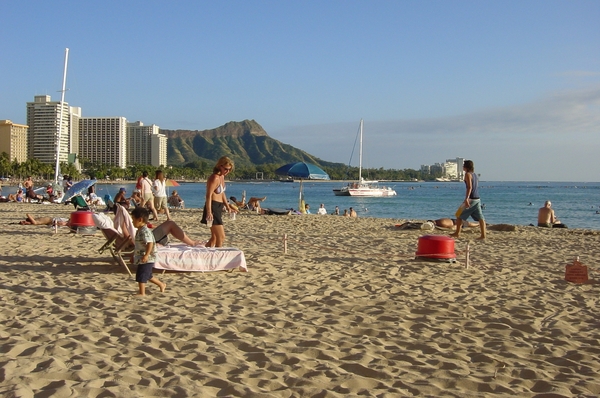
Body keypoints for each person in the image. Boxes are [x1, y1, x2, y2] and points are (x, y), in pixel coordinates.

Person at [201, 156, 237, 247]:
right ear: (219, 166)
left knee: (215, 238)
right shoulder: (215, 178)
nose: (227, 171)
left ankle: (206, 255)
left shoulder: (222, 177)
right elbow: (208, 195)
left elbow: (222, 193)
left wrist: (228, 206)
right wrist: (209, 212)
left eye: (229, 170)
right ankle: (217, 258)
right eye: (226, 169)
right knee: (221, 237)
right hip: (212, 207)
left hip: (218, 207)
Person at [131, 207, 166, 296]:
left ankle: (142, 293)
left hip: (148, 258)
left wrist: (146, 255)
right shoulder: (140, 230)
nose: (132, 222)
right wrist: (133, 255)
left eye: (133, 219)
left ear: (140, 219)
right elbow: (139, 245)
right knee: (148, 275)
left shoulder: (145, 231)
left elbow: (150, 243)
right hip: (142, 257)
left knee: (141, 275)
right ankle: (161, 284)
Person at [450, 160, 486, 240]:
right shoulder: (475, 175)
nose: (462, 166)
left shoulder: (468, 174)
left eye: (463, 165)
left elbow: (470, 187)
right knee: (481, 218)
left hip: (471, 199)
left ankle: (457, 233)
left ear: (466, 167)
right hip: (477, 199)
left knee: (458, 215)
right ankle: (483, 235)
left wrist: (466, 198)